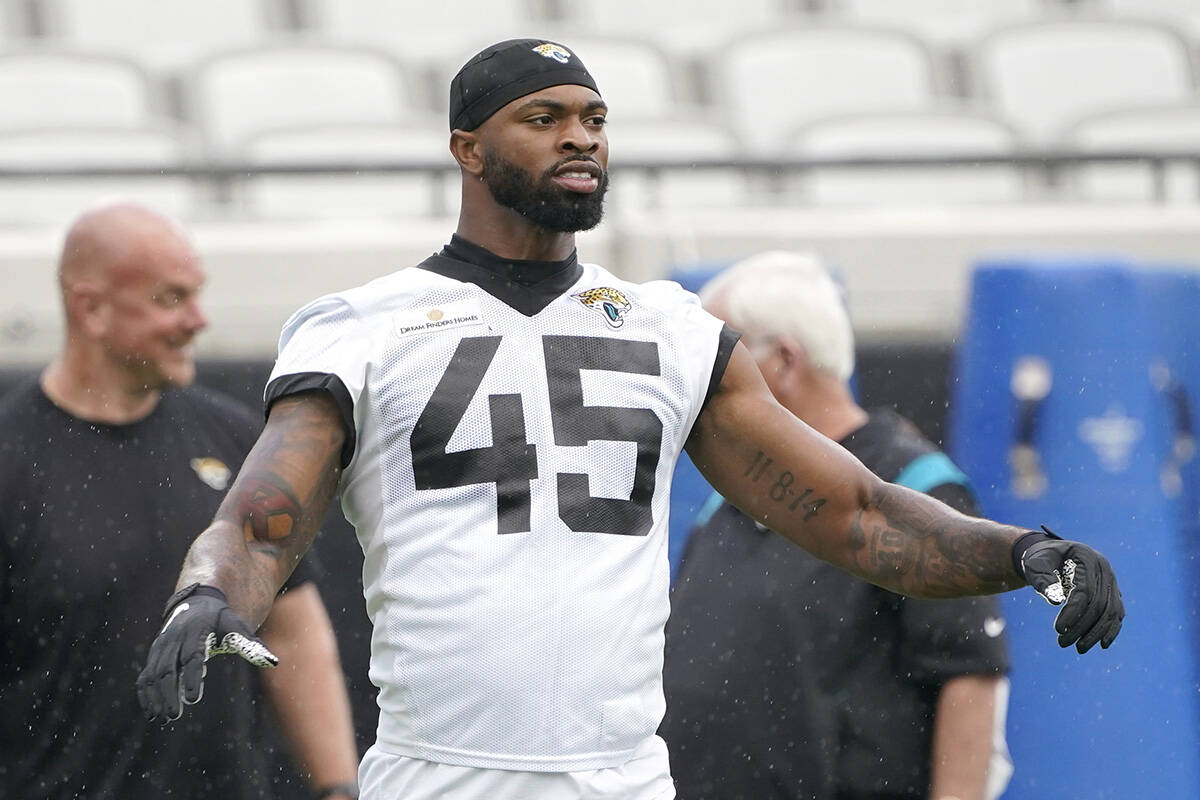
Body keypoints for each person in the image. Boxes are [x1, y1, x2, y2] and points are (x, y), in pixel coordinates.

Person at [134, 39, 1124, 800]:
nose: (581, 134)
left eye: (595, 116)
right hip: (444, 772)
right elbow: (264, 508)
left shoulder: (668, 329)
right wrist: (209, 590)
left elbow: (856, 509)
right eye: (545, 115)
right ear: (467, 148)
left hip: (624, 775)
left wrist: (1023, 549)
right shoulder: (364, 327)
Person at [0, 202, 360, 800]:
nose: (198, 320)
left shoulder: (237, 438)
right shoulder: (10, 459)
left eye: (197, 295)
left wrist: (338, 789)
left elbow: (292, 628)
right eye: (170, 299)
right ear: (91, 308)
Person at [661, 251, 1013, 800]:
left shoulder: (918, 488)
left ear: (781, 362)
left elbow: (969, 673)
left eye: (712, 365)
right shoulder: (730, 492)